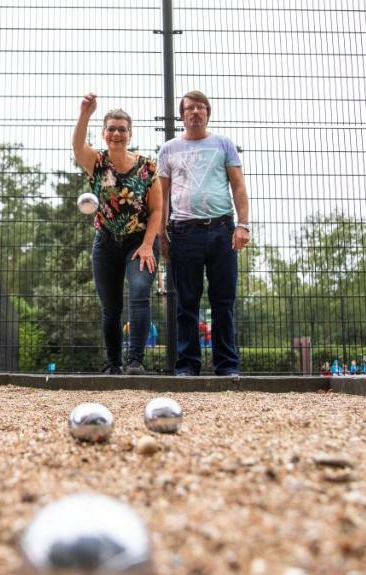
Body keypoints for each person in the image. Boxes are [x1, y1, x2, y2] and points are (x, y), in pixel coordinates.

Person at [159, 90, 251, 377]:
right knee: (186, 303)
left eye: (201, 108)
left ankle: (227, 366)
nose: (195, 112)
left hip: (222, 229)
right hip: (184, 232)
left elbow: (238, 185)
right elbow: (161, 196)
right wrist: (162, 234)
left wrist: (243, 224)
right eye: (190, 108)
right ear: (182, 115)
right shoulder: (168, 150)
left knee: (223, 301)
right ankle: (187, 366)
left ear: (207, 113)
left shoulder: (223, 144)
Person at [72, 93, 163, 375]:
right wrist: (85, 113)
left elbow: (157, 211)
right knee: (110, 306)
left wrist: (148, 245)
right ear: (104, 133)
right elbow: (77, 147)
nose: (116, 133)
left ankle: (135, 361)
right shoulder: (97, 163)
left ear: (129, 133)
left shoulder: (147, 168)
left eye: (122, 129)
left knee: (138, 292)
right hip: (106, 242)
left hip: (140, 242)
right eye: (111, 128)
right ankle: (113, 364)